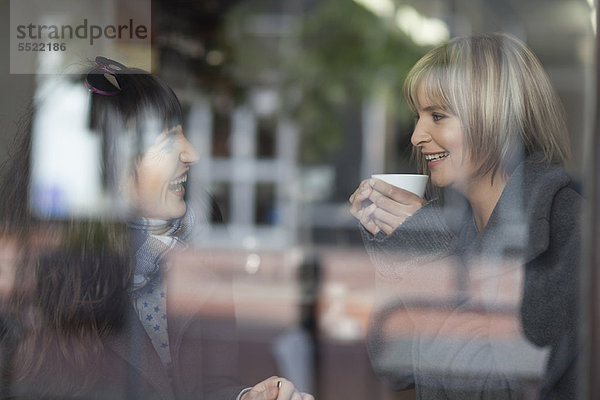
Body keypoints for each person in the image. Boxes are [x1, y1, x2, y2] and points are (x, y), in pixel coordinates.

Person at [0, 57, 313, 400]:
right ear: (108, 164)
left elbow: (208, 383)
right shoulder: (29, 271)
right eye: (167, 142)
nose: (191, 153)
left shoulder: (199, 238)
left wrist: (246, 397)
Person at [349, 33, 580, 399]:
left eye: (437, 116)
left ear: (494, 119)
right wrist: (398, 248)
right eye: (418, 116)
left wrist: (427, 254)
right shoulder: (461, 224)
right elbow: (396, 367)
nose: (416, 136)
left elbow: (495, 389)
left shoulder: (568, 231)